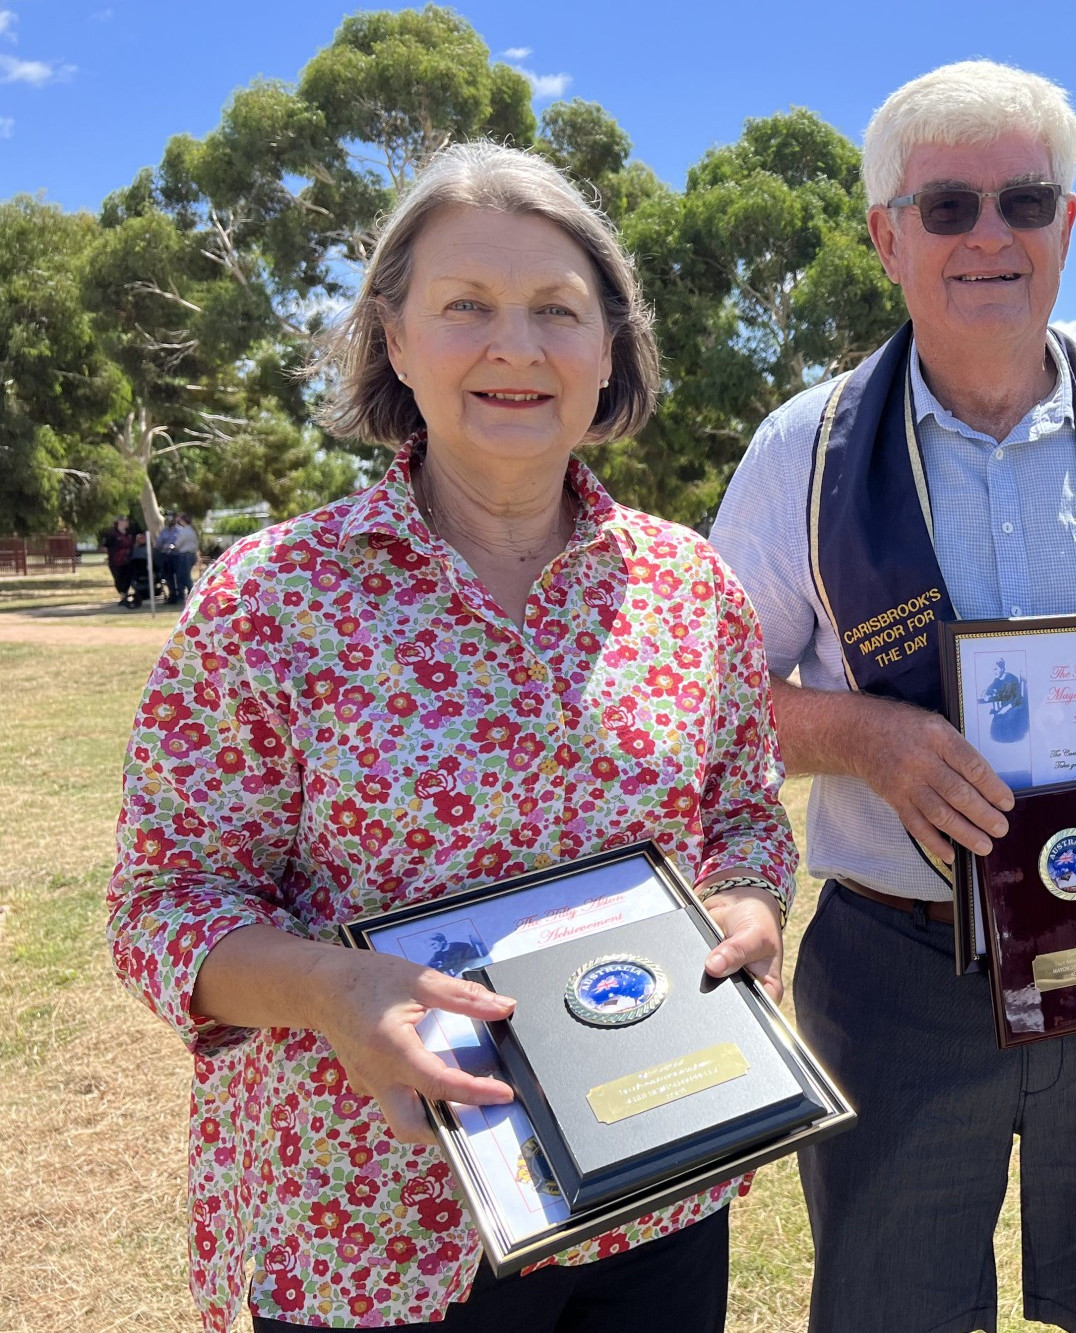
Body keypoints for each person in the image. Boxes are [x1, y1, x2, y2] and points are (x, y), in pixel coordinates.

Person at [106, 142, 796, 1333]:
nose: (515, 347)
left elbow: (740, 818)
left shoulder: (693, 590)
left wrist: (747, 903)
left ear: (610, 346)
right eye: (466, 305)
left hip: (653, 1191)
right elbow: (164, 903)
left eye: (556, 310)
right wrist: (331, 989)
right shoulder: (274, 600)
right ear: (394, 336)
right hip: (366, 1228)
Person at [710, 60, 1076, 1333]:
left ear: (1068, 226)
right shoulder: (799, 453)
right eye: (946, 208)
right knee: (892, 1309)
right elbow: (714, 697)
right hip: (897, 961)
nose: (990, 235)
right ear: (885, 237)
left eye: (1024, 202)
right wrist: (864, 736)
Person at [160, 510, 199, 601]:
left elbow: (178, 544)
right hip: (191, 554)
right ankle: (182, 595)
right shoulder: (192, 530)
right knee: (183, 576)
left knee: (184, 576)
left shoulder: (184, 531)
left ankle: (192, 593)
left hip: (185, 555)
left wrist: (170, 547)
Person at [102, 515, 136, 606]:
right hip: (115, 561)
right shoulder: (112, 534)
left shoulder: (129, 533)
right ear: (120, 522)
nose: (127, 523)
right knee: (118, 579)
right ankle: (123, 595)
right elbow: (105, 546)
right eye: (125, 521)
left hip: (128, 560)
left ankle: (124, 595)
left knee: (128, 578)